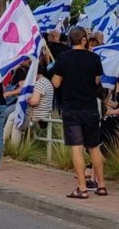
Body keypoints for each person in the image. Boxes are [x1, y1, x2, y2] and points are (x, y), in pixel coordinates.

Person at [51, 26, 107, 199]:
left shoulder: (63, 58)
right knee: (94, 147)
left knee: (77, 148)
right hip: (90, 108)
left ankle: (82, 188)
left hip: (71, 108)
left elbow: (56, 83)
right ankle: (101, 185)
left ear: (70, 40)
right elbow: (97, 80)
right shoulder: (94, 58)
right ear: (84, 40)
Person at [4, 65, 54, 145]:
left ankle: (11, 146)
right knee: (13, 116)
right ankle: (3, 141)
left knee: (17, 121)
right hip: (41, 114)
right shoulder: (46, 81)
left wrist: (27, 99)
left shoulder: (40, 83)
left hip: (36, 116)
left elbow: (34, 101)